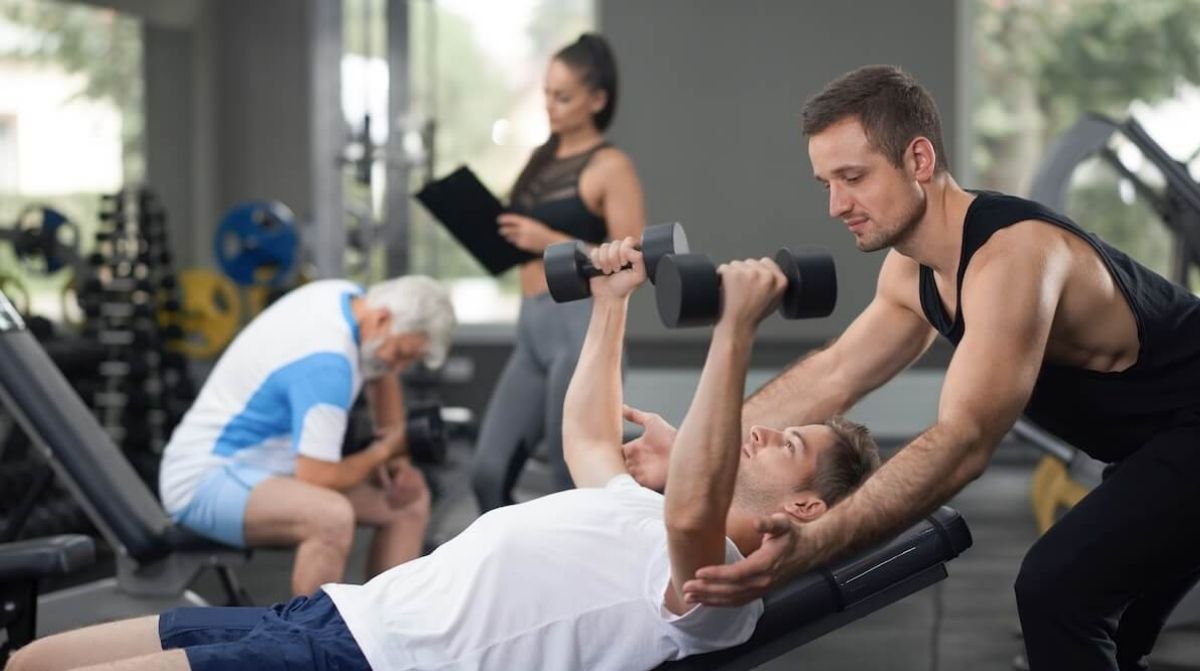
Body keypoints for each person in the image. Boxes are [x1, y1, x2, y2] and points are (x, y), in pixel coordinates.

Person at [9, 239, 880, 671]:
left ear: (803, 508)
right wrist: (610, 303)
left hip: (363, 661)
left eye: (793, 443)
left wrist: (735, 330)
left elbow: (697, 506)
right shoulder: (642, 510)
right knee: (33, 660)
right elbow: (585, 436)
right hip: (336, 615)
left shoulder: (718, 585)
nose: (771, 428)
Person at [619, 64, 1200, 670]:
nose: (837, 205)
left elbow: (965, 441)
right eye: (826, 183)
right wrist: (691, 453)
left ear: (919, 159)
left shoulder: (1013, 258)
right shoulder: (913, 270)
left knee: (1058, 592)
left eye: (853, 177)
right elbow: (835, 375)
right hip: (1155, 450)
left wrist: (814, 544)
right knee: (1115, 621)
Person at [157, 276, 456, 596]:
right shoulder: (328, 364)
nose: (398, 367)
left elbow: (383, 377)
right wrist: (384, 451)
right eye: (401, 354)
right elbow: (318, 477)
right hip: (204, 479)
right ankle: (311, 641)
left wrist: (401, 466)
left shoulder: (352, 299)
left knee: (407, 502)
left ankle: (387, 630)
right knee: (329, 517)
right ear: (382, 319)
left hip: (268, 470)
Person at [472, 32, 647, 511]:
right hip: (532, 325)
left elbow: (632, 257)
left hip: (579, 327)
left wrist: (547, 239)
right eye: (547, 93)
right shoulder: (539, 159)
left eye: (563, 96)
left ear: (597, 100)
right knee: (488, 471)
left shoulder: (611, 167)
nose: (550, 105)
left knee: (569, 480)